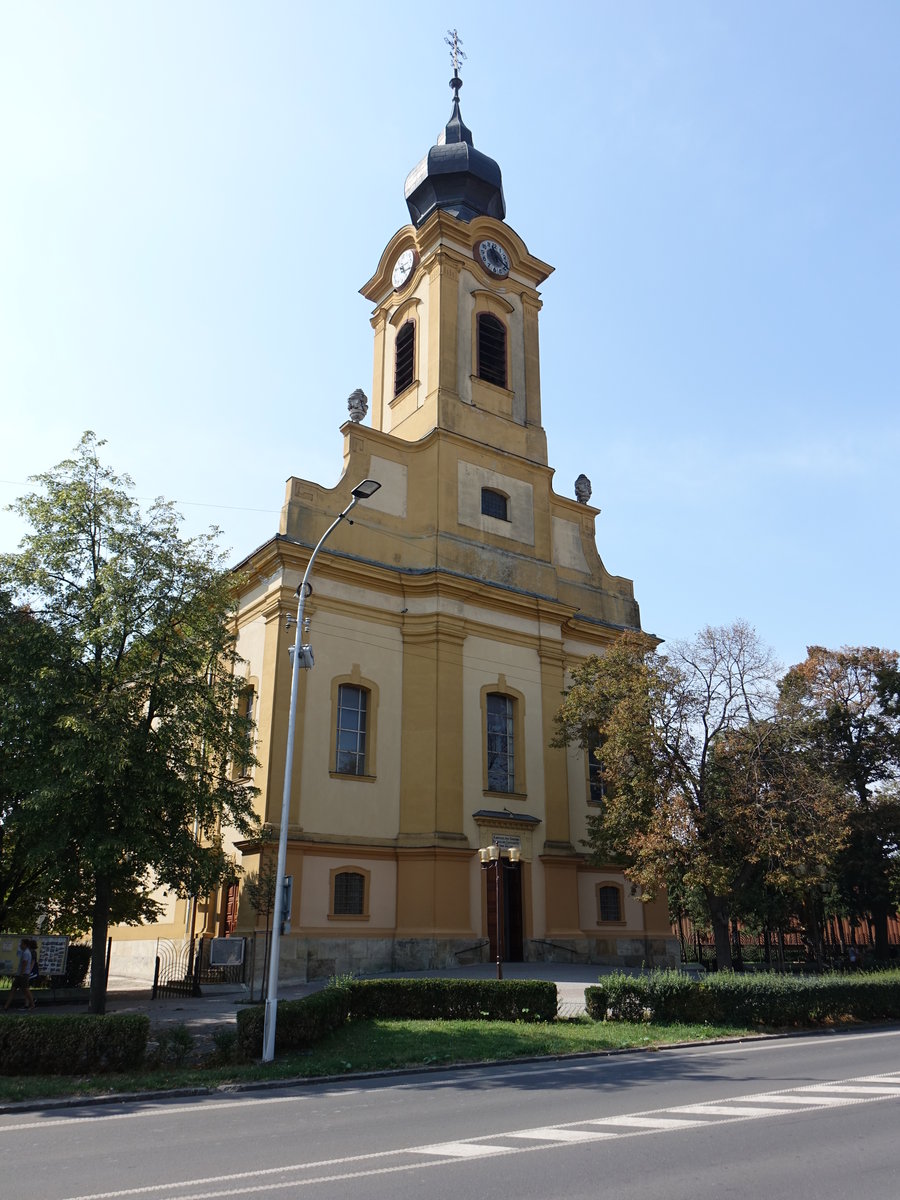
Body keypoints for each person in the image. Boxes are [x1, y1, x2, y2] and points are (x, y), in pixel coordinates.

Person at [3, 938, 36, 1010]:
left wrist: (21, 973)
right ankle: (6, 1006)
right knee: (14, 989)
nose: (20, 945)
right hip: (21, 974)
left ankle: (32, 1005)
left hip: (23, 975)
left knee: (26, 989)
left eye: (21, 944)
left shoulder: (26, 953)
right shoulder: (25, 952)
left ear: (25, 945)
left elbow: (24, 963)